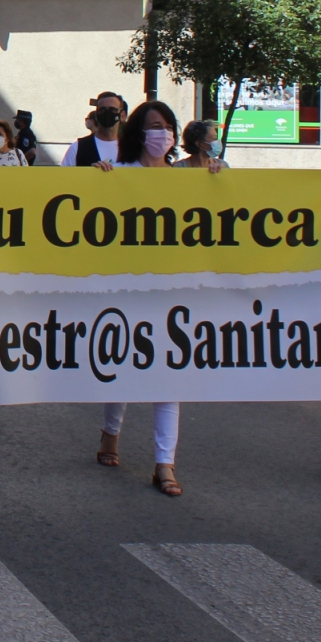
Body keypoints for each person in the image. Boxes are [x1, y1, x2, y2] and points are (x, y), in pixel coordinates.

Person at [92, 100, 218, 496]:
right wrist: (98, 179)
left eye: (166, 126)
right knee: (124, 366)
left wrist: (216, 178)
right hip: (128, 289)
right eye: (152, 126)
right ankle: (110, 434)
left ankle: (165, 463)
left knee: (168, 376)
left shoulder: (186, 177)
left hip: (173, 291)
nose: (159, 133)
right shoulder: (122, 173)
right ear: (138, 133)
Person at [60, 92, 127, 167]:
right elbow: (64, 177)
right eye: (102, 110)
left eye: (113, 110)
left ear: (122, 115)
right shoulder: (78, 148)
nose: (107, 113)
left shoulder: (131, 148)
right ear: (96, 114)